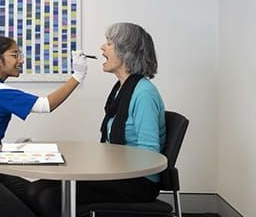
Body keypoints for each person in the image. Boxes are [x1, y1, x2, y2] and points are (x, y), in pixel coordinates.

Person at [27, 22, 166, 217]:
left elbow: (149, 155)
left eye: (109, 43)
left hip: (137, 181)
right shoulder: (120, 89)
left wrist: (101, 168)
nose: (102, 47)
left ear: (126, 51)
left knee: (49, 198)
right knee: (35, 190)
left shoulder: (143, 94)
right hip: (117, 171)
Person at [0, 36, 87, 217]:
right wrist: (77, 76)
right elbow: (46, 105)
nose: (21, 60)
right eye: (15, 55)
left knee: (40, 198)